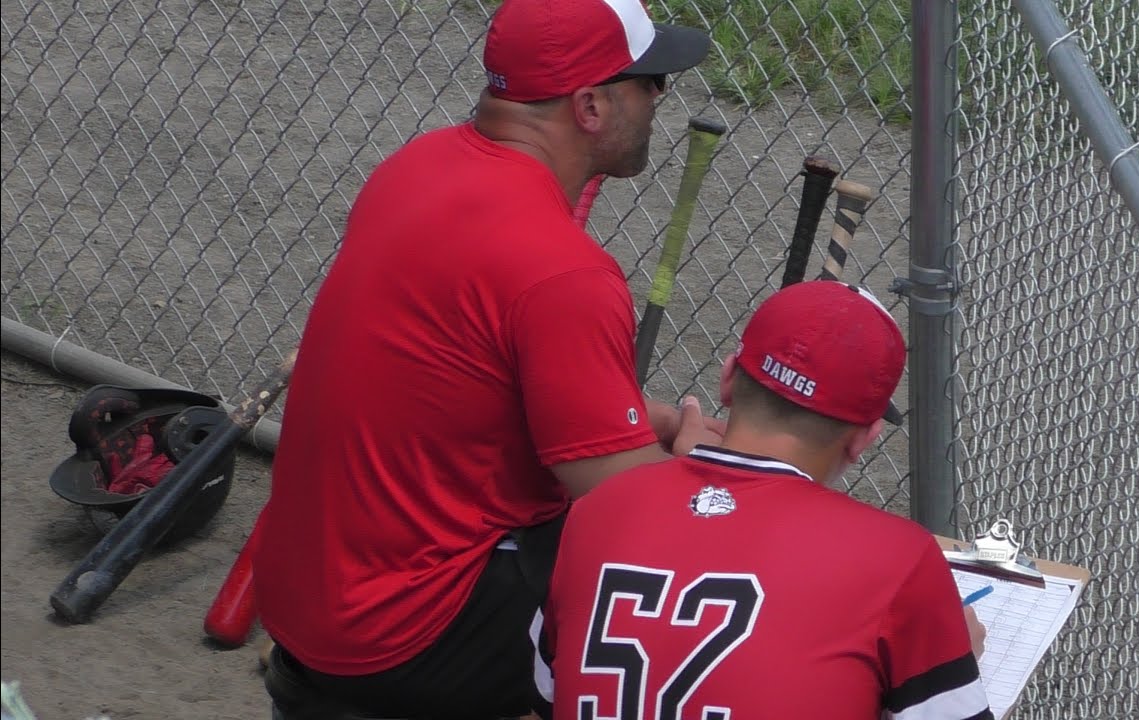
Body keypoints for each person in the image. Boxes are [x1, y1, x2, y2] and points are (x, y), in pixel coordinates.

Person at [252, 1, 720, 718]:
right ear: (590, 106)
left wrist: (649, 423)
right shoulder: (563, 272)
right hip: (406, 637)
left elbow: (478, 388)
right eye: (649, 80)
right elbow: (630, 505)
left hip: (304, 598)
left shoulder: (414, 166)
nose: (660, 96)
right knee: (700, 573)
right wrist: (708, 470)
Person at [540, 281, 993, 720]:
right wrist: (956, 664)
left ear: (728, 378)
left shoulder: (595, 510)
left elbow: (542, 702)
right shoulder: (898, 557)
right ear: (864, 438)